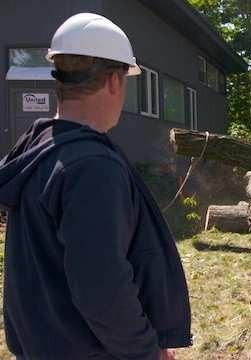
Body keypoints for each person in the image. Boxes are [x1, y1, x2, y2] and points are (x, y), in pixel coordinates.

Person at [0, 13, 191, 359]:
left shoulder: (36, 147)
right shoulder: (92, 168)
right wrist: (148, 353)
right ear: (114, 80)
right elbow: (102, 291)